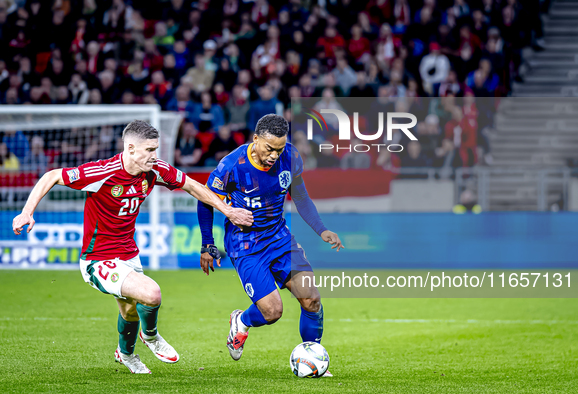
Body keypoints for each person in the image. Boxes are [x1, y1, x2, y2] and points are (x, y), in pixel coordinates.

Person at [12, 120, 253, 374]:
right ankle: (151, 337)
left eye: (155, 149)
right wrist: (27, 212)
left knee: (130, 311)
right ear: (130, 149)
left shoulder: (155, 170)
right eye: (149, 150)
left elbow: (192, 186)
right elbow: (52, 176)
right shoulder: (102, 172)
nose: (154, 156)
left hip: (129, 255)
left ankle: (125, 354)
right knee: (151, 293)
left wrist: (228, 210)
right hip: (98, 260)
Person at [197, 114, 343, 376]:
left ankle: (312, 356)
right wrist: (208, 244)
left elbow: (299, 195)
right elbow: (206, 200)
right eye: (269, 148)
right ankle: (241, 320)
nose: (275, 155)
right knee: (273, 311)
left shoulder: (291, 156)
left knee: (311, 299)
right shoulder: (232, 165)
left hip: (279, 238)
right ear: (255, 140)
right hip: (245, 243)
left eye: (280, 148)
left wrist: (321, 229)